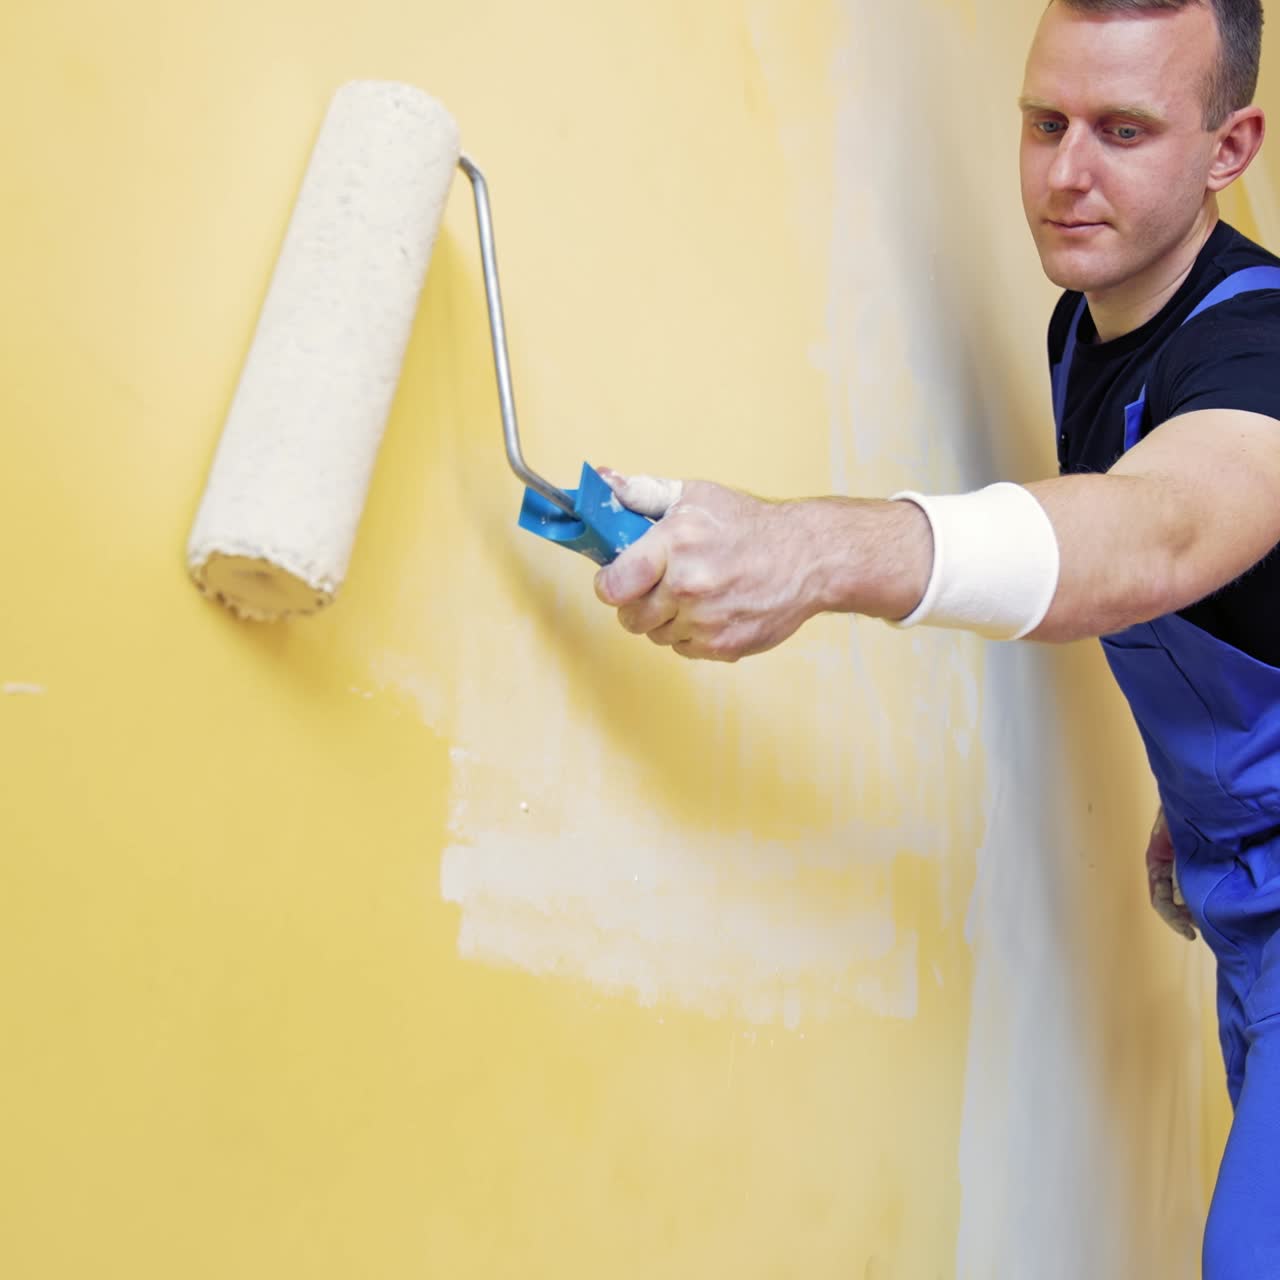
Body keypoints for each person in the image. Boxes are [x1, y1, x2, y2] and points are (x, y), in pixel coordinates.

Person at [592, 2, 1280, 1275]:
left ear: (1227, 147)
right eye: (1043, 122)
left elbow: (1167, 533)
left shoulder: (1257, 347)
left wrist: (814, 550)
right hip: (1239, 897)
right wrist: (1198, 790)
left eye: (1123, 131)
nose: (1065, 175)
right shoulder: (1089, 324)